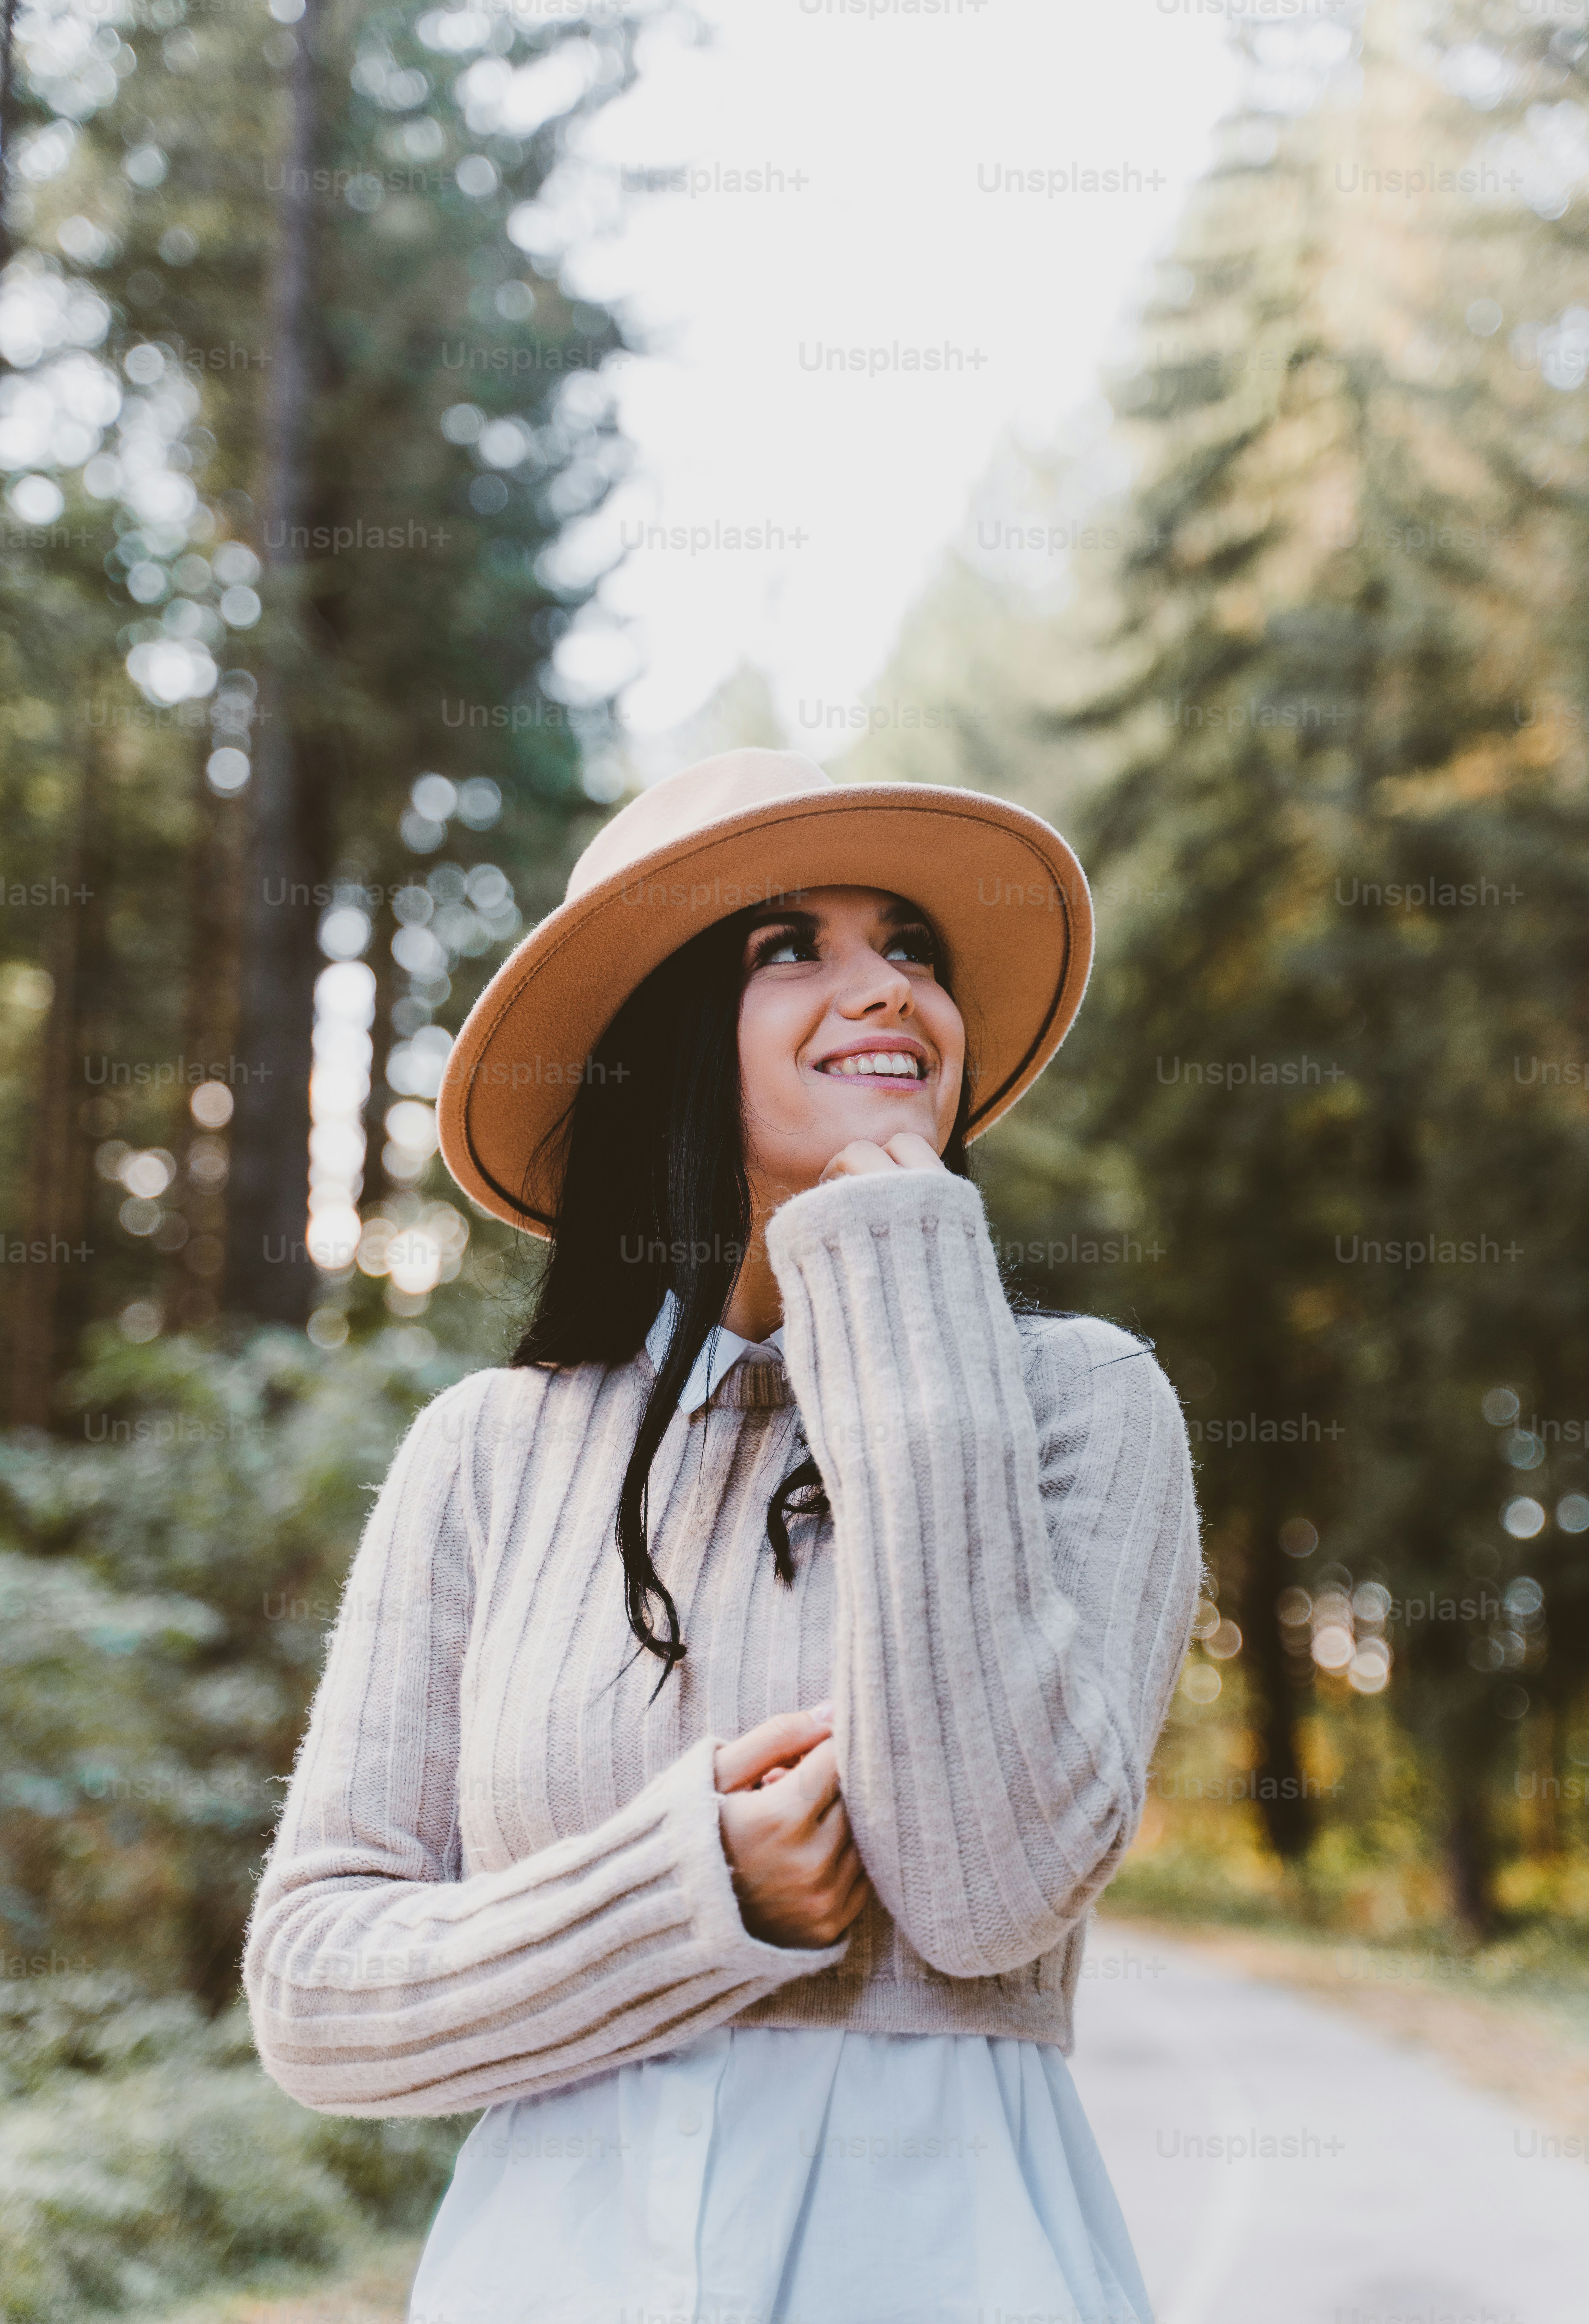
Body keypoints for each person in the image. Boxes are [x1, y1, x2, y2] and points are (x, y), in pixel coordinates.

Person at [244, 747, 1201, 2324]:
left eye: (912, 946)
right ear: (671, 1043)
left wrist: (893, 1268)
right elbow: (317, 1994)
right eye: (789, 948)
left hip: (953, 2273)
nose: (884, 987)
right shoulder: (487, 1452)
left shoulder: (1079, 1407)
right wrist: (695, 1892)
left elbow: (987, 1889)